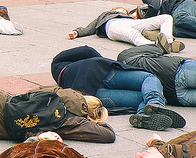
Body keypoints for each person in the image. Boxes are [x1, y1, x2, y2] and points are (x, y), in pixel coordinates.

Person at [52, 45, 186, 130]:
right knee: (149, 78)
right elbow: (87, 50)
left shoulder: (65, 84)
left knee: (141, 97)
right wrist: (107, 64)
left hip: (92, 95)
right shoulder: (57, 61)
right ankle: (155, 103)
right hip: (99, 71)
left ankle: (145, 114)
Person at [68, 8, 183, 51]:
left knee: (166, 17)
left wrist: (133, 16)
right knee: (133, 35)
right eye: (121, 9)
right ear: (113, 9)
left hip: (132, 23)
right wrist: (77, 32)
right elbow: (90, 27)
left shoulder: (129, 16)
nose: (124, 11)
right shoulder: (106, 15)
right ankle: (155, 47)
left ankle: (168, 42)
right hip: (113, 26)